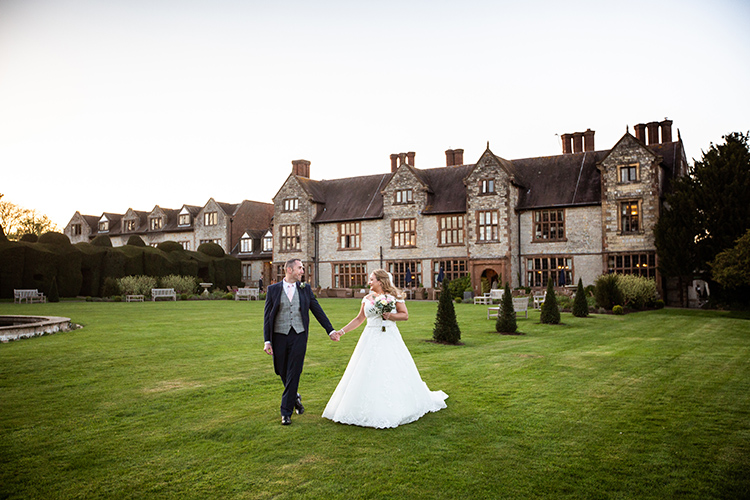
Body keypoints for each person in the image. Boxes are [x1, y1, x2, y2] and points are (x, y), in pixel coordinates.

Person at [322, 269, 447, 428]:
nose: (369, 282)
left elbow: (405, 315)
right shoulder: (367, 298)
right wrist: (341, 331)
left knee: (390, 369)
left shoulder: (393, 297)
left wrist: (391, 316)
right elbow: (360, 319)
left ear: (380, 281)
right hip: (370, 337)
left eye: (372, 279)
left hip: (389, 336)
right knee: (365, 370)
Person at [264, 258, 340, 426]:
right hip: (278, 335)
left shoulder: (305, 290)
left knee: (295, 371)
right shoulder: (273, 290)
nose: (302, 271)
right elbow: (267, 317)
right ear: (289, 270)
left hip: (299, 335)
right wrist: (267, 340)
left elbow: (317, 309)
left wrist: (330, 330)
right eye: (300, 268)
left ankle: (286, 411)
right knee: (281, 370)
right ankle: (295, 397)